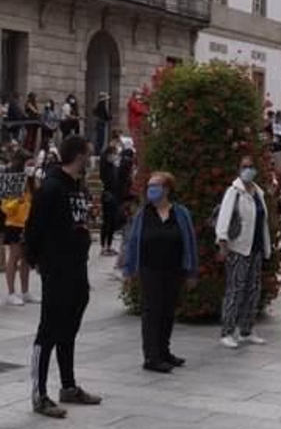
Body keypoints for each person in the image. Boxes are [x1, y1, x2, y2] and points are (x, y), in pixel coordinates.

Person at [23, 134, 99, 417]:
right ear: (79, 155)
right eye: (89, 153)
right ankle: (39, 393)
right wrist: (37, 260)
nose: (90, 159)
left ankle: (68, 385)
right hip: (57, 267)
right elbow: (34, 227)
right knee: (49, 329)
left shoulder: (77, 187)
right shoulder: (52, 187)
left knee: (69, 329)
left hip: (77, 266)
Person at [120, 170, 198, 373]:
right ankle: (151, 356)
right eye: (150, 186)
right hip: (150, 269)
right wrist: (129, 268)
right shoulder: (143, 214)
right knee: (152, 311)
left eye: (157, 186)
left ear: (167, 189)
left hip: (174, 269)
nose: (152, 190)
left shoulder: (180, 213)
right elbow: (132, 242)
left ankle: (164, 350)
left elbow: (190, 242)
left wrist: (191, 271)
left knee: (168, 310)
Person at [216, 156, 271, 348]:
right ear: (239, 169)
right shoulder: (234, 192)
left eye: (251, 166)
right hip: (238, 248)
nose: (248, 169)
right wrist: (223, 243)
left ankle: (247, 329)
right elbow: (224, 218)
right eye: (244, 166)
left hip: (255, 248)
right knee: (235, 290)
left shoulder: (258, 192)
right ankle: (228, 331)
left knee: (253, 290)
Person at [0, 152, 36, 306]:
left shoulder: (32, 182)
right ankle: (10, 292)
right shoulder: (11, 181)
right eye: (29, 164)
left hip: (29, 224)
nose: (32, 168)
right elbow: (4, 207)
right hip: (14, 224)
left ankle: (25, 291)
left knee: (26, 259)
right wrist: (17, 201)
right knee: (14, 257)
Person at [98, 142, 130, 258]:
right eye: (113, 153)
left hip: (114, 195)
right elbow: (107, 181)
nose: (115, 156)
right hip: (108, 195)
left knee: (112, 221)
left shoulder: (114, 168)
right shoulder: (105, 167)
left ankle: (109, 245)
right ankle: (103, 246)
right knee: (106, 221)